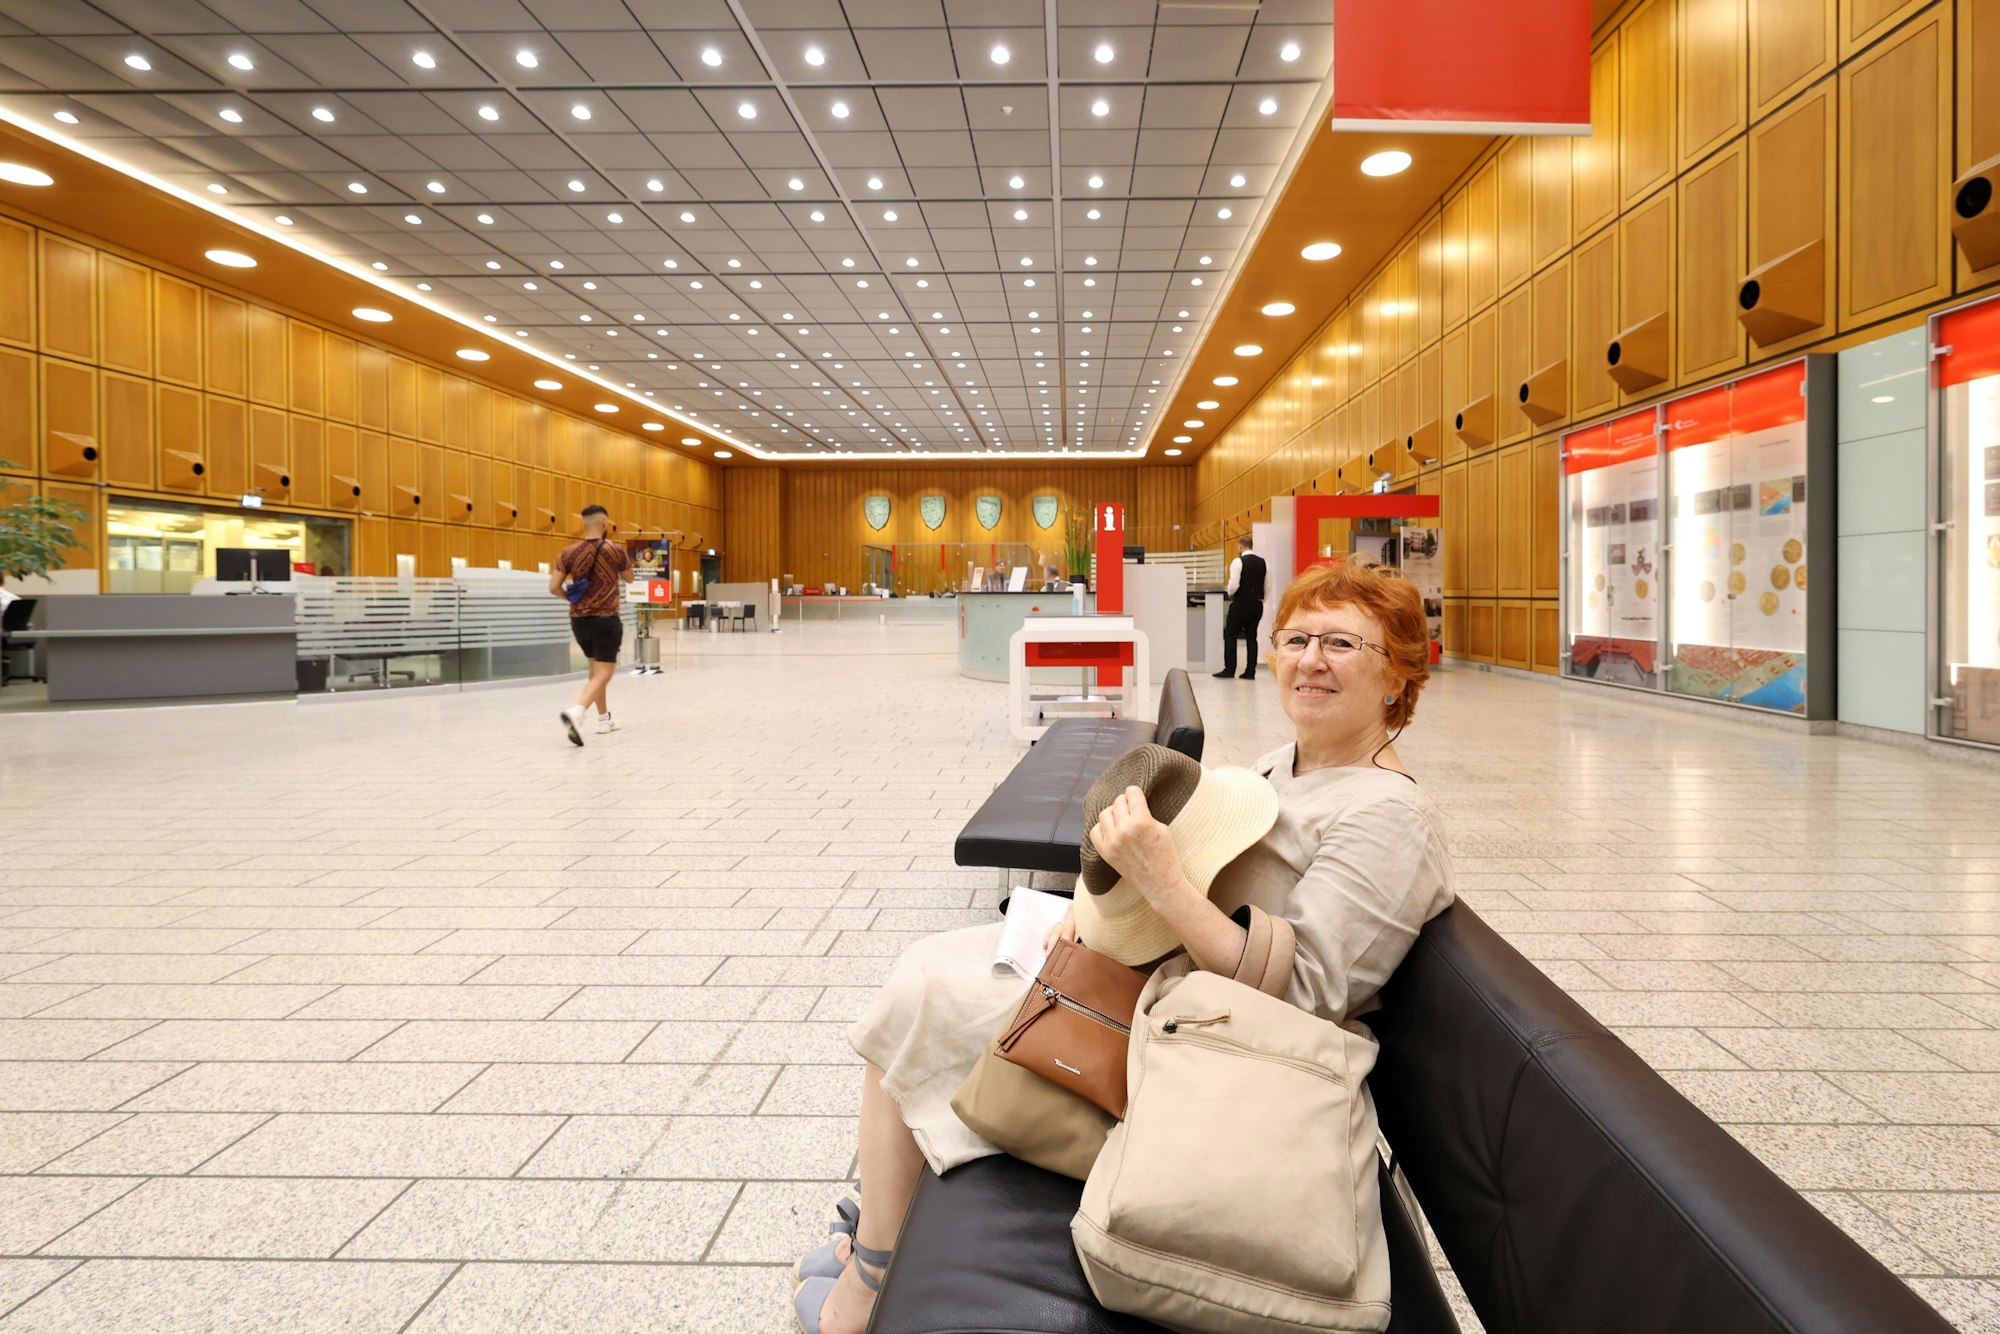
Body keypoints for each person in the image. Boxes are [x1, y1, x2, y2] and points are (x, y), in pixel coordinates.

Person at [793, 560, 1456, 1333]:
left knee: (925, 990)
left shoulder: (1389, 816)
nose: (1309, 660)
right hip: (1167, 986)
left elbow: (1304, 996)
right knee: (936, 967)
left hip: (1220, 1051)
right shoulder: (1292, 766)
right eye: (1296, 638)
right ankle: (884, 1218)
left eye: (1342, 643)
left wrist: (1161, 880)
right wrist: (1101, 910)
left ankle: (869, 1279)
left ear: (1397, 677)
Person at [548, 504, 631, 745]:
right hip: (606, 619)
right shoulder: (615, 550)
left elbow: (554, 587)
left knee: (595, 673)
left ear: (584, 524)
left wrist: (573, 599)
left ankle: (604, 719)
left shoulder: (567, 553)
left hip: (579, 620)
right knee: (605, 672)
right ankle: (578, 711)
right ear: (605, 525)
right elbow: (629, 577)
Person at [1215, 532, 1266, 680]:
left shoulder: (1238, 562)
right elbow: (1267, 585)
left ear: (1241, 546)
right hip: (1257, 604)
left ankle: (1229, 669)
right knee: (1252, 637)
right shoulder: (1263, 562)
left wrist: (1230, 593)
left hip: (1241, 603)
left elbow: (1234, 584)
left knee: (1231, 634)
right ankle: (1250, 672)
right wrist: (1260, 599)